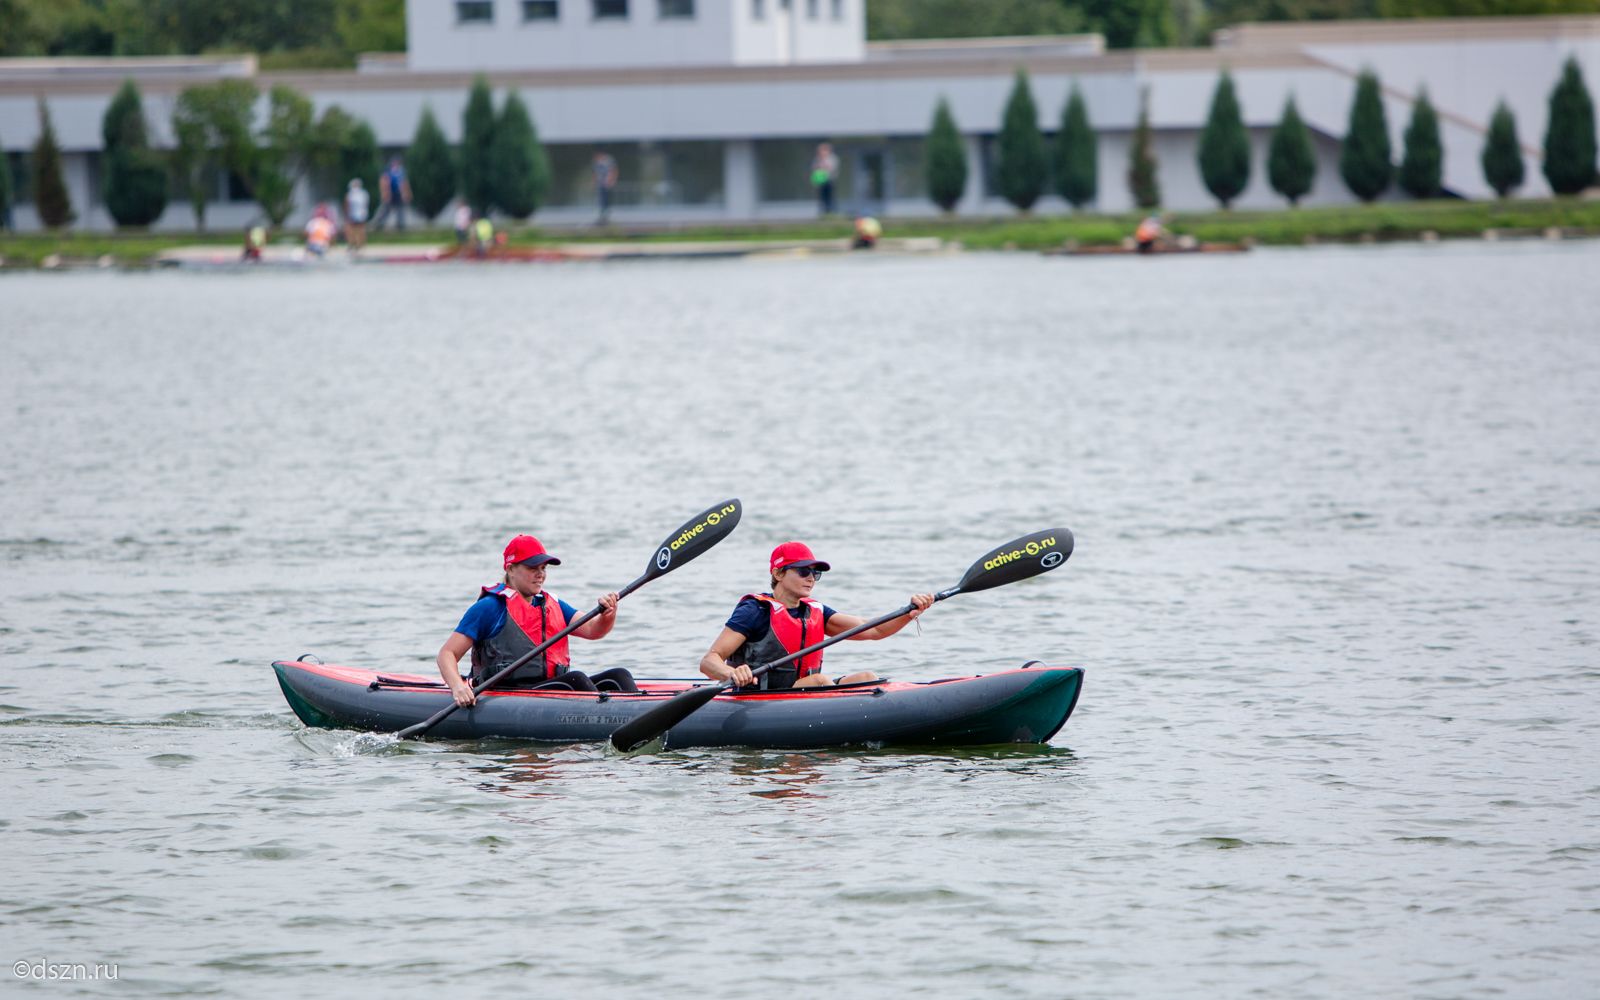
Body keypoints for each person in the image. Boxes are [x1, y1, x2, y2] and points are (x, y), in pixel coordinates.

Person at [699, 542, 934, 691]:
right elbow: (709, 661)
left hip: (803, 694)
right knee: (820, 680)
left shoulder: (816, 612)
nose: (811, 578)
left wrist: (910, 613)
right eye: (803, 571)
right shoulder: (755, 611)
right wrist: (733, 673)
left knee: (867, 676)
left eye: (815, 573)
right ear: (778, 573)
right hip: (760, 696)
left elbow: (874, 630)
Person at [435, 535, 637, 707]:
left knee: (619, 676)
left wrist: (608, 614)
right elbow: (447, 653)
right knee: (577, 680)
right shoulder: (490, 607)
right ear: (511, 568)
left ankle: (641, 718)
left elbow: (594, 630)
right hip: (508, 694)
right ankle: (606, 724)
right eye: (533, 567)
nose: (540, 574)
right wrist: (458, 687)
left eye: (543, 568)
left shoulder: (552, 604)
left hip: (549, 689)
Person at [370, 156, 412, 231]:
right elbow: (383, 182)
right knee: (386, 210)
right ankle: (379, 224)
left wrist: (406, 193)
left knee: (400, 210)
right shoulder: (387, 171)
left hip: (398, 194)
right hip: (390, 193)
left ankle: (400, 225)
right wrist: (385, 193)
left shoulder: (401, 171)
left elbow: (404, 183)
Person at [810, 142, 839, 216]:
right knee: (822, 197)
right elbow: (815, 169)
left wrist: (824, 166)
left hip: (829, 180)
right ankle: (823, 213)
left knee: (830, 197)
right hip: (821, 180)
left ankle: (831, 212)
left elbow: (831, 168)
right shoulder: (817, 159)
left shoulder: (832, 159)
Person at [343, 178, 369, 252]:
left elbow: (347, 204)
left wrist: (346, 214)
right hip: (360, 213)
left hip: (354, 213)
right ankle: (359, 244)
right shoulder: (364, 193)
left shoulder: (351, 194)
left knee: (353, 230)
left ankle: (353, 244)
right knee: (360, 230)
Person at [592, 151, 618, 225]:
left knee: (606, 200)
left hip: (607, 184)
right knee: (601, 200)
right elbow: (595, 173)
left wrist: (612, 180)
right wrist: (595, 182)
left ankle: (606, 216)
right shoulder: (597, 163)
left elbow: (613, 171)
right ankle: (603, 216)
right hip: (601, 184)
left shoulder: (609, 161)